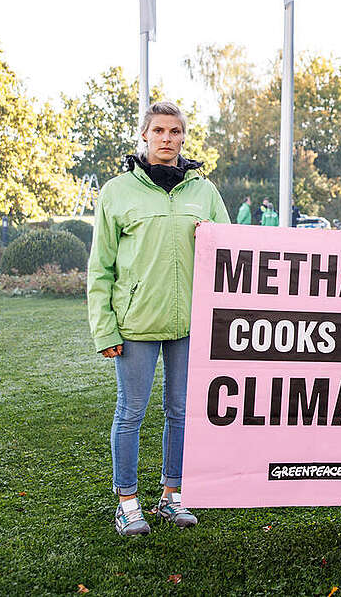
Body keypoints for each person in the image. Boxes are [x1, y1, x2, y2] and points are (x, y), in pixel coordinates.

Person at [87, 101, 230, 536]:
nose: (167, 138)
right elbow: (100, 267)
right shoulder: (116, 192)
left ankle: (172, 496)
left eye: (175, 131)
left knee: (182, 411)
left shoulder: (203, 191)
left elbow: (231, 249)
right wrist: (104, 328)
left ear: (184, 137)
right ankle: (127, 502)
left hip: (190, 322)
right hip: (135, 325)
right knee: (130, 412)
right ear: (145, 136)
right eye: (158, 131)